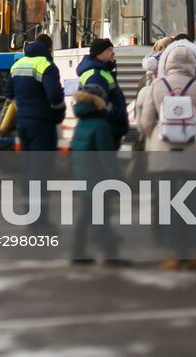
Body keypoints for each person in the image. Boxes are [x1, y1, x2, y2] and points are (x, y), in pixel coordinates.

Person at [135, 42, 196, 270]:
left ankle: (175, 255)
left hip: (164, 155)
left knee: (168, 205)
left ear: (167, 62)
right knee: (193, 204)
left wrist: (158, 135)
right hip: (194, 152)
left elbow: (147, 120)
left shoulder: (158, 85)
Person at [68, 82, 125, 265]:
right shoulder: (100, 125)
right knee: (101, 217)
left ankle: (78, 251)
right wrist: (118, 180)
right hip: (98, 177)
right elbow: (107, 157)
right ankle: (111, 256)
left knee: (87, 215)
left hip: (83, 175)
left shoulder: (82, 122)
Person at [2, 33, 64, 153]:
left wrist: (22, 107)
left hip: (22, 122)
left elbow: (8, 91)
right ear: (50, 49)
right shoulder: (47, 65)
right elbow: (54, 96)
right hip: (42, 123)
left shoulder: (17, 64)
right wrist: (59, 111)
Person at [76, 38, 127, 143]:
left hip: (105, 128)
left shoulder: (100, 72)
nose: (113, 53)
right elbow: (98, 104)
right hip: (105, 130)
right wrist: (117, 115)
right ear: (98, 54)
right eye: (109, 50)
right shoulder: (96, 75)